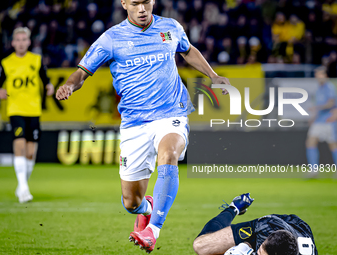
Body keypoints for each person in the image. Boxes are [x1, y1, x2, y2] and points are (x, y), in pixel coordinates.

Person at [55, 0, 229, 252]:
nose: (142, 9)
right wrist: (70, 85)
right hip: (134, 123)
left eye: (146, 2)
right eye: (135, 3)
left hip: (172, 112)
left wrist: (213, 76)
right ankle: (146, 208)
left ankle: (152, 231)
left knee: (168, 155)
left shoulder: (170, 27)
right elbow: (83, 71)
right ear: (124, 4)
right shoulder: (111, 38)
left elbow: (188, 50)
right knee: (131, 202)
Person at [0, 27, 54, 203]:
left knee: (31, 153)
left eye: (24, 40)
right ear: (13, 42)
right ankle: (23, 188)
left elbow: (45, 79)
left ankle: (22, 185)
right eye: (18, 40)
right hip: (15, 110)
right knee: (19, 146)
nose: (21, 43)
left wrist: (49, 86)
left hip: (34, 110)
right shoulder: (7, 62)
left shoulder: (36, 60)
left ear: (29, 42)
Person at [193, 193, 317, 255]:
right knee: (201, 246)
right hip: (270, 225)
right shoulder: (265, 230)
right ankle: (234, 207)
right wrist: (243, 247)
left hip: (296, 231)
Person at [306, 66, 337, 176]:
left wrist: (317, 108)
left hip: (329, 120)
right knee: (310, 142)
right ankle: (314, 170)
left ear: (326, 75)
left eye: (320, 74)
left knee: (333, 145)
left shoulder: (329, 87)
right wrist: (313, 118)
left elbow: (331, 103)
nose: (318, 77)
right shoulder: (319, 89)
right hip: (319, 120)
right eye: (316, 75)